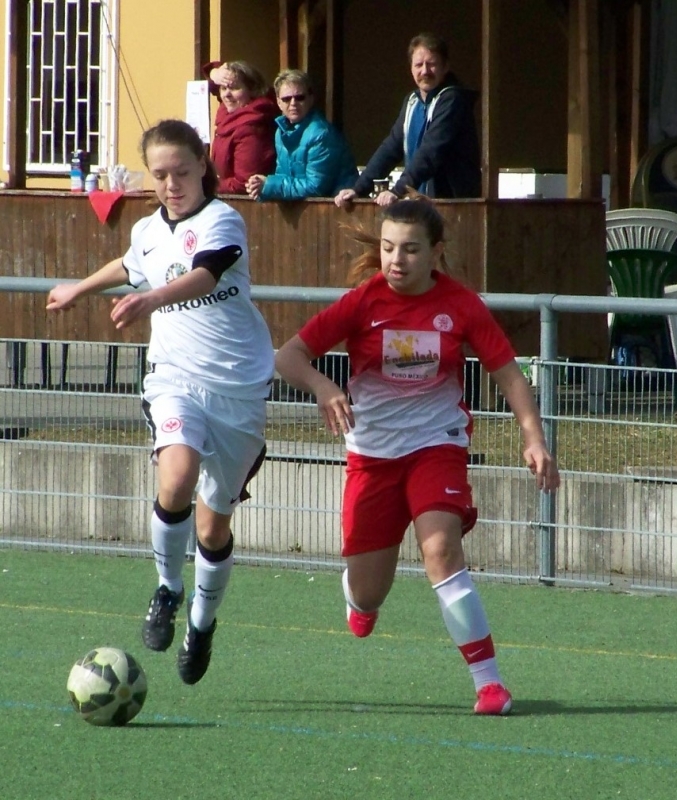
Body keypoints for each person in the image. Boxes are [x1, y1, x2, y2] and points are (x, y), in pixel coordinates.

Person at [274, 197, 560, 715]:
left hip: (436, 445)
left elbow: (509, 375)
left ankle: (489, 684)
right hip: (372, 456)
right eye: (388, 248)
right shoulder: (362, 302)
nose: (396, 260)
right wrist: (323, 386)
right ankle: (359, 599)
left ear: (436, 253)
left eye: (409, 249)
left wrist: (534, 438)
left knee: (441, 550)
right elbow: (289, 356)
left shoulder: (461, 305)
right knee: (368, 593)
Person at [46, 119, 274, 685]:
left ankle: (201, 625)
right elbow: (130, 265)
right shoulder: (147, 229)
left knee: (213, 529)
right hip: (174, 378)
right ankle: (168, 589)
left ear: (203, 166)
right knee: (176, 476)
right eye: (160, 174)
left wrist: (152, 299)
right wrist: (78, 288)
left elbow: (205, 275)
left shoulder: (223, 220)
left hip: (238, 389)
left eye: (181, 172)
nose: (172, 184)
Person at [335, 33, 481, 208]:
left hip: (453, 205)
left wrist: (398, 191)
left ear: (445, 67)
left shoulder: (453, 100)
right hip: (421, 204)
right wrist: (359, 189)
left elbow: (430, 152)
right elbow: (391, 148)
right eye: (418, 65)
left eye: (432, 64)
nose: (425, 71)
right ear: (411, 68)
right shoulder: (412, 101)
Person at [245, 69, 358, 201]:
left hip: (338, 207)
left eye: (299, 97)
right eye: (286, 99)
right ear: (278, 102)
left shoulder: (321, 134)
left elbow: (316, 188)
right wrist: (260, 188)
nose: (293, 103)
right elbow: (283, 177)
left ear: (310, 99)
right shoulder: (280, 132)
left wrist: (269, 184)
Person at [202, 60, 277, 194]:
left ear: (252, 90)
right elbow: (213, 80)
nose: (226, 94)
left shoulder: (252, 128)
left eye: (234, 88)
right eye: (223, 88)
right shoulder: (231, 111)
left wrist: (206, 185)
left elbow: (243, 183)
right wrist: (215, 73)